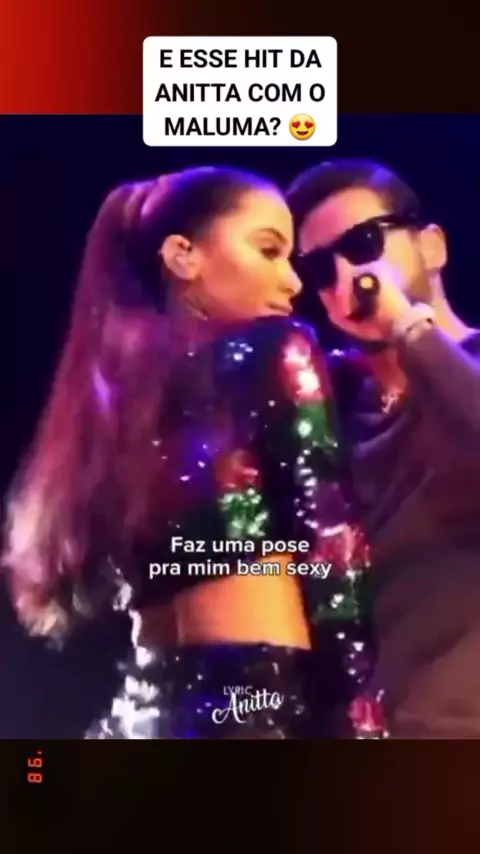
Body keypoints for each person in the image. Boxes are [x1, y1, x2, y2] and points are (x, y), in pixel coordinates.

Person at [2, 166, 383, 739]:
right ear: (183, 256)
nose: (292, 282)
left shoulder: (110, 397)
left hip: (138, 709)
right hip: (254, 702)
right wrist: (360, 720)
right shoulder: (277, 348)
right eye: (268, 250)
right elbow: (331, 541)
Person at [287, 158, 480, 738]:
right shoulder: (337, 413)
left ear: (432, 246)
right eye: (321, 268)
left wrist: (410, 329)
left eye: (364, 244)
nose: (348, 276)